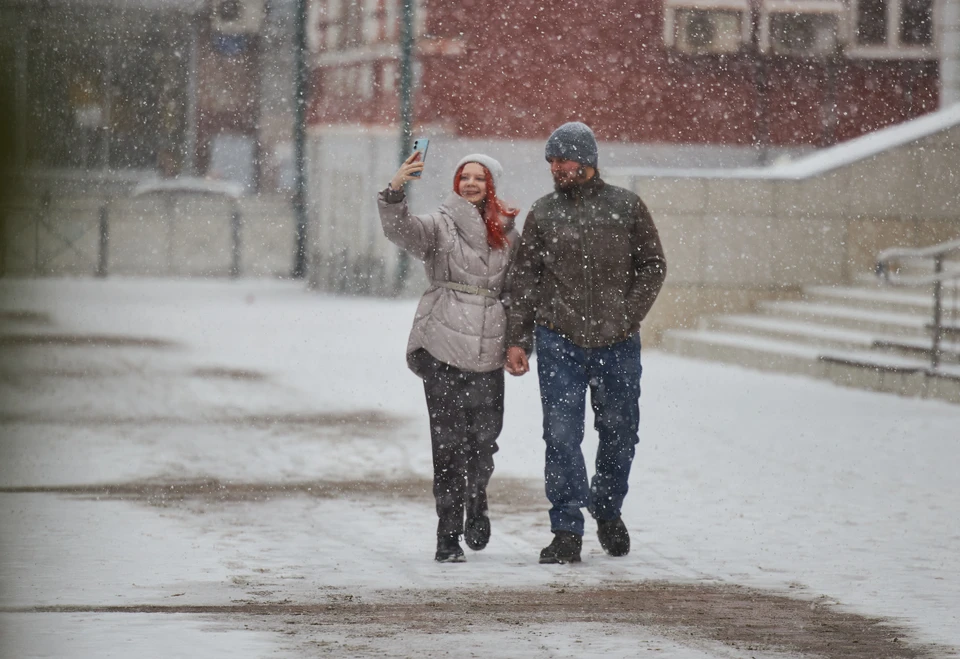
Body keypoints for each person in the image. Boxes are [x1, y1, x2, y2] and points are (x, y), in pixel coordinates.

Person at [504, 122, 667, 564]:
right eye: (552, 161)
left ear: (588, 160)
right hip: (559, 338)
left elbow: (653, 266)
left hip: (617, 342)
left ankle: (608, 508)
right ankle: (566, 528)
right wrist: (518, 340)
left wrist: (627, 314)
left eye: (565, 159)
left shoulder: (627, 207)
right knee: (560, 434)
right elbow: (524, 282)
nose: (557, 168)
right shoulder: (543, 213)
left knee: (620, 433)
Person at [378, 151, 520, 563]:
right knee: (448, 446)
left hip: (488, 348)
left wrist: (518, 342)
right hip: (442, 346)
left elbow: (519, 288)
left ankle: (477, 499)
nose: (471, 183)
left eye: (479, 178)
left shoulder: (507, 229)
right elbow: (401, 229)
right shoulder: (439, 224)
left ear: (491, 184)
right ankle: (447, 535)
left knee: (484, 444)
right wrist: (395, 191)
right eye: (464, 177)